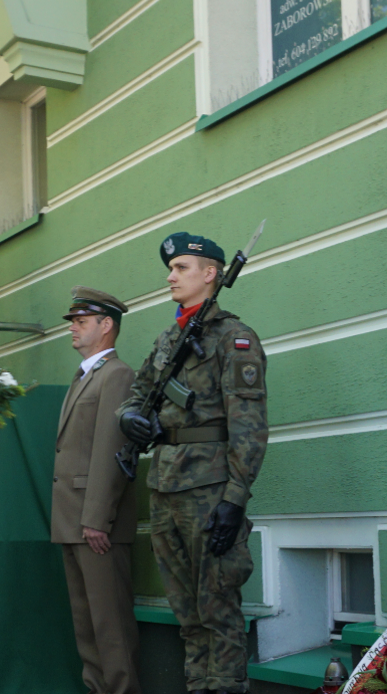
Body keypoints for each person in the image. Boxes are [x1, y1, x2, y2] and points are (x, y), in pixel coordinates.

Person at [118, 234, 267, 694]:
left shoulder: (234, 338)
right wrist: (129, 419)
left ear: (211, 274)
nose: (170, 276)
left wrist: (234, 499)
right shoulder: (169, 339)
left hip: (209, 490)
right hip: (165, 487)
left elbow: (250, 426)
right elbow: (138, 392)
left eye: (182, 267)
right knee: (186, 614)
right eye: (171, 268)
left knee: (218, 610)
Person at [52, 287, 140, 694]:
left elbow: (112, 450)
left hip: (95, 524)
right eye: (73, 321)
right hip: (74, 521)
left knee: (111, 633)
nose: (73, 328)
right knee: (87, 633)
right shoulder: (85, 374)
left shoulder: (117, 375)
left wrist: (96, 519)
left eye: (81, 321)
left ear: (106, 326)